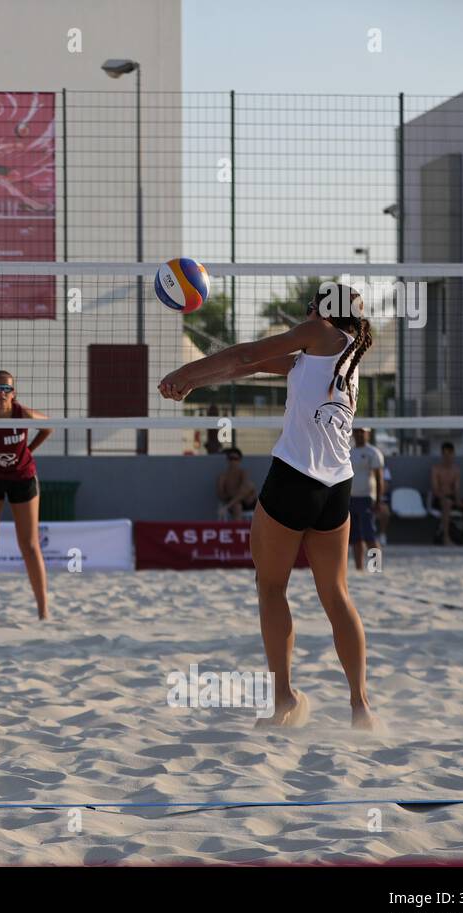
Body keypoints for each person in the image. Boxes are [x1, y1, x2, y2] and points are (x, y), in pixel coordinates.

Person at [159, 282, 380, 730]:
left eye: (312, 305)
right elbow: (250, 368)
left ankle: (284, 700)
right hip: (337, 486)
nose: (306, 311)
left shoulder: (317, 333)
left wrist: (184, 371)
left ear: (324, 311)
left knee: (270, 586)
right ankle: (361, 707)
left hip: (295, 479)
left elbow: (245, 353)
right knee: (336, 594)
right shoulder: (342, 352)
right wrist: (194, 383)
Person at [0, 371, 53, 621]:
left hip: (22, 477)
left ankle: (43, 610)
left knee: (29, 545)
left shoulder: (21, 413)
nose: (2, 392)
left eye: (7, 388)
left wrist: (28, 450)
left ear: (13, 393)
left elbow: (48, 427)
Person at [429, 441, 463, 546]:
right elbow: (435, 489)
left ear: (453, 454)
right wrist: (444, 498)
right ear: (442, 455)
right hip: (440, 499)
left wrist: (458, 499)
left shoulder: (456, 470)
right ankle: (446, 538)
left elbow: (456, 489)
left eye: (450, 454)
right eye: (445, 455)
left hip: (453, 498)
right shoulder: (436, 469)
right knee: (447, 503)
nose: (448, 457)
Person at [348, 428, 384, 569]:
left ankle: (375, 567)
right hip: (351, 498)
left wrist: (379, 501)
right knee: (355, 537)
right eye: (357, 431)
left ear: (368, 434)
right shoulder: (349, 452)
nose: (359, 434)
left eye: (362, 432)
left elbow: (379, 478)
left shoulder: (373, 452)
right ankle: (359, 568)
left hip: (367, 498)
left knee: (370, 535)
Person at [216, 447, 257, 520]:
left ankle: (228, 506)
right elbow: (220, 494)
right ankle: (237, 530)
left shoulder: (242, 473)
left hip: (247, 501)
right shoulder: (223, 477)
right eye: (231, 458)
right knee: (237, 506)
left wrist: (235, 493)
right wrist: (231, 495)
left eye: (235, 459)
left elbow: (244, 488)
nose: (233, 461)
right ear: (228, 460)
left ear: (239, 460)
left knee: (250, 486)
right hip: (233, 503)